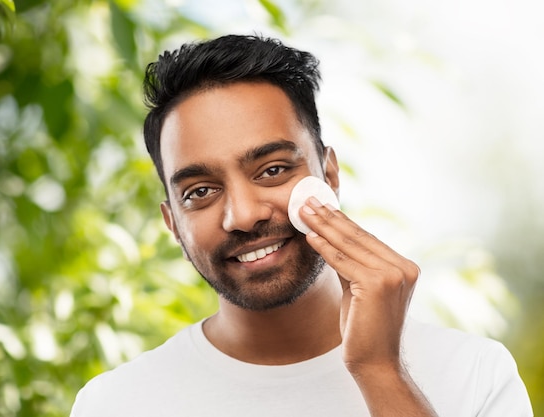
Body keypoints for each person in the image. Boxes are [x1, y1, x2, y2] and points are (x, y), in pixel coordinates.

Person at [70, 34, 532, 416]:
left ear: (328, 175)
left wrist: (380, 371)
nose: (243, 215)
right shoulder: (114, 404)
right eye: (200, 192)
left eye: (272, 170)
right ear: (173, 222)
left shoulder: (474, 375)